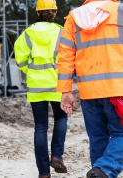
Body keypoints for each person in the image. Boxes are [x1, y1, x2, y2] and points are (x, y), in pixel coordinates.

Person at [57, 0, 123, 177]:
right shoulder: (120, 11)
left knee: (98, 138)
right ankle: (105, 169)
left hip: (89, 91)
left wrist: (66, 91)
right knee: (120, 134)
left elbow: (65, 56)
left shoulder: (74, 16)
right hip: (117, 88)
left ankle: (99, 172)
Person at [14, 0, 68, 177]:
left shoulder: (28, 33)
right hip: (57, 84)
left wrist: (29, 70)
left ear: (38, 13)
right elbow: (68, 57)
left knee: (40, 127)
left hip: (36, 85)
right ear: (54, 12)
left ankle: (44, 173)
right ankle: (57, 155)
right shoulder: (62, 32)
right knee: (61, 118)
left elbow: (20, 59)